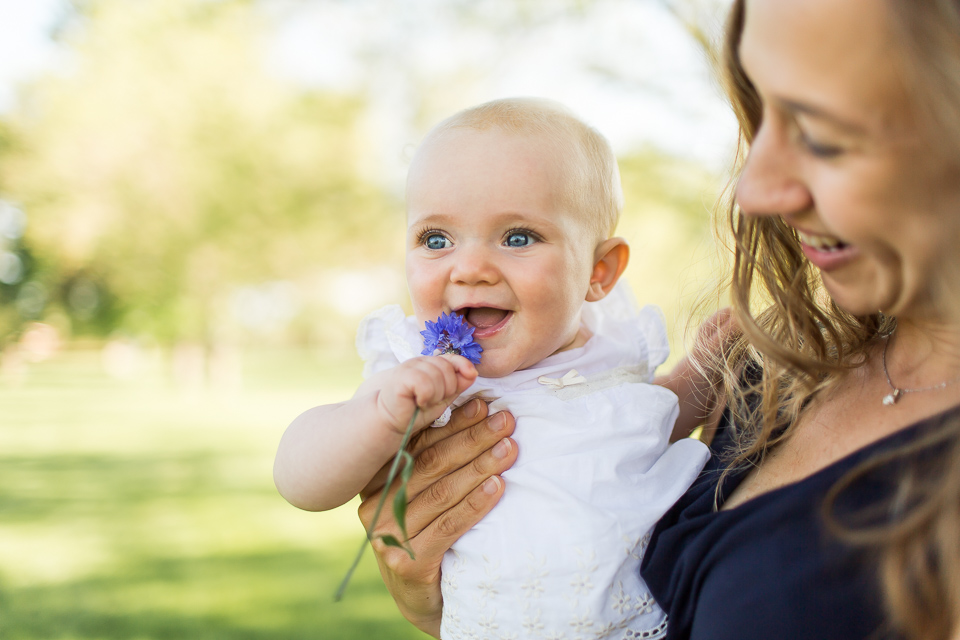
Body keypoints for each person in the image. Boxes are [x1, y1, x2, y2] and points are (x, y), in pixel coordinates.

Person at [357, 1, 960, 639]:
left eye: (821, 131)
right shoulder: (772, 380)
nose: (754, 189)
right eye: (762, 122)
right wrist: (441, 597)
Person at [273, 98, 710, 639]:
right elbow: (300, 482)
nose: (471, 267)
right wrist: (379, 415)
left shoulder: (613, 355)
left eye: (517, 237)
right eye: (436, 239)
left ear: (598, 271)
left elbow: (646, 428)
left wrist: (703, 374)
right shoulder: (415, 373)